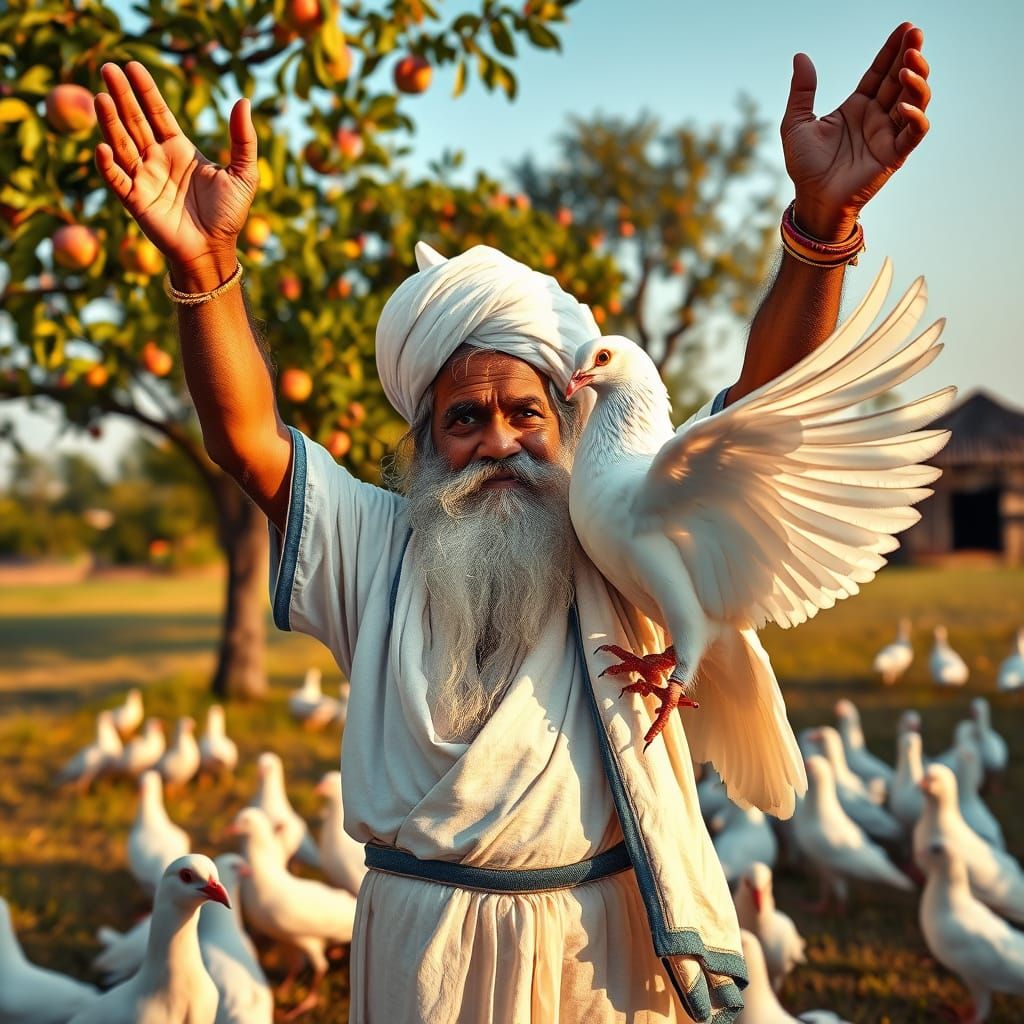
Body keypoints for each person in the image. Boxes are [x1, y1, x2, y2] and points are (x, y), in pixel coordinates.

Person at [94, 21, 931, 1023]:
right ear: (423, 442)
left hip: (602, 958)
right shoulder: (376, 547)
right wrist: (207, 263)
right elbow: (247, 439)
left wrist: (819, 220)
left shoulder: (623, 532)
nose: (497, 440)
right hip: (419, 959)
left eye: (525, 412)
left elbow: (764, 405)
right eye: (464, 418)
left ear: (568, 424)